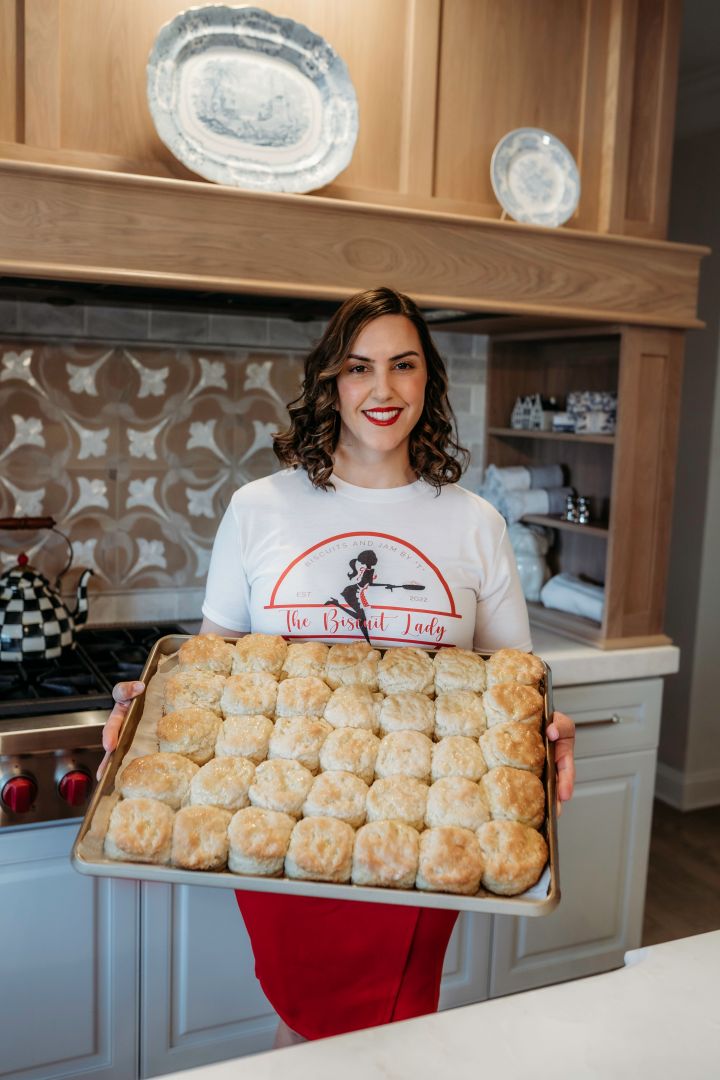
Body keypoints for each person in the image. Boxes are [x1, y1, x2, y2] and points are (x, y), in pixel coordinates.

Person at [99, 286, 576, 1049]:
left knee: (391, 1026)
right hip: (284, 812)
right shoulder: (259, 508)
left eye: (403, 365)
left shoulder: (475, 523)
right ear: (331, 381)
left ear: (429, 380)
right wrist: (148, 709)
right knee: (303, 1019)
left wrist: (550, 734)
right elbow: (213, 671)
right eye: (359, 367)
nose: (382, 388)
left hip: (426, 828)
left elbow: (510, 690)